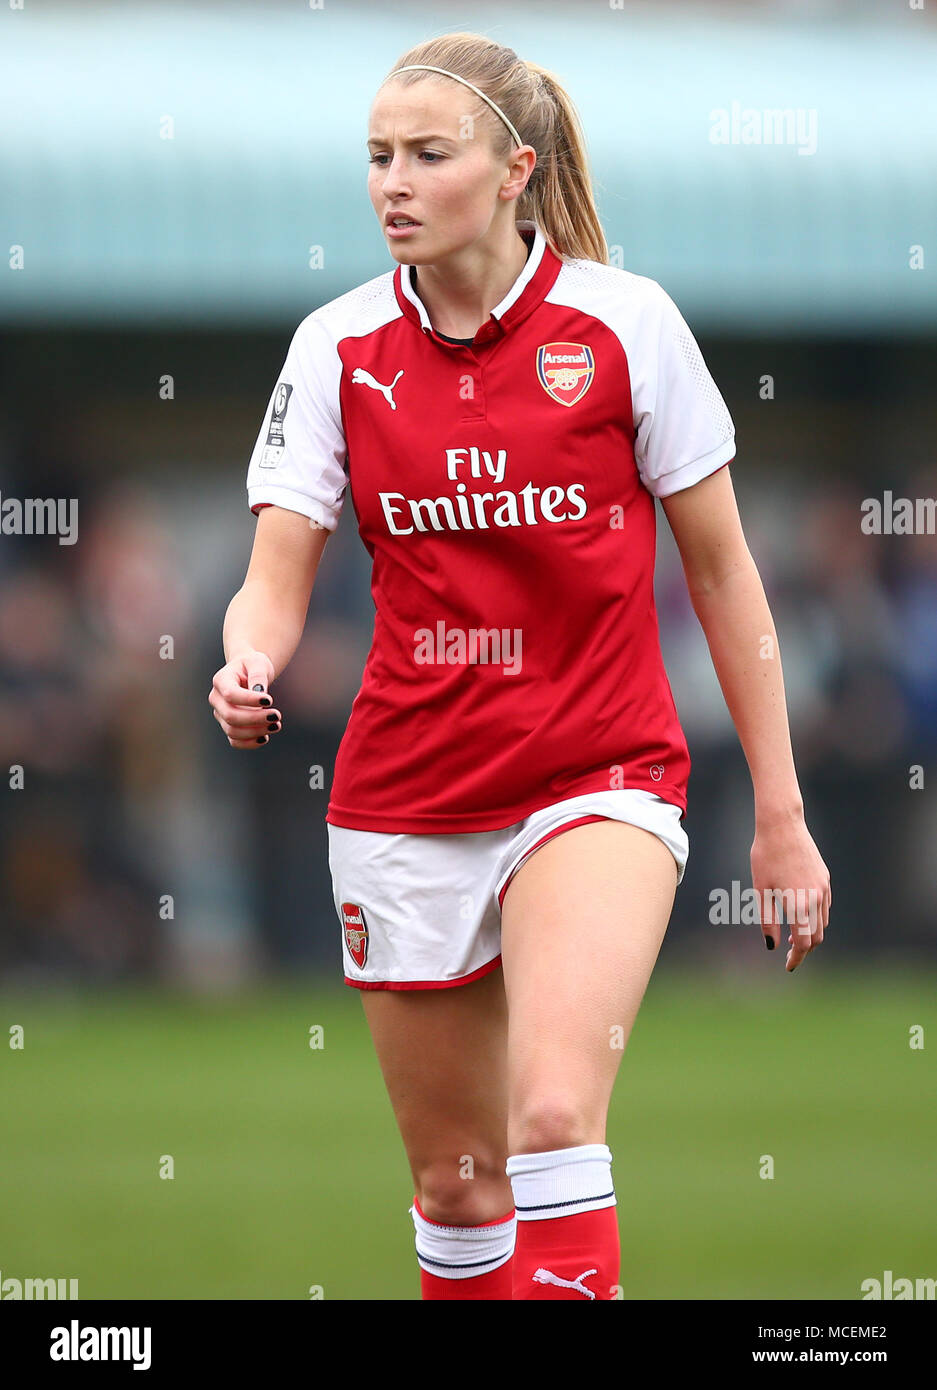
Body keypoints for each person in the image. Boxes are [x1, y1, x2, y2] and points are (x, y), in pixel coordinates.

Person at [209, 32, 831, 1301]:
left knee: (552, 1118)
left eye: (427, 154)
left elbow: (723, 575)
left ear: (513, 172)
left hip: (598, 774)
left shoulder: (626, 324)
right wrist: (244, 666)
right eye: (378, 156)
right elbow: (272, 582)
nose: (392, 181)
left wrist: (779, 810)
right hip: (404, 795)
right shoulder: (333, 348)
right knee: (456, 1185)